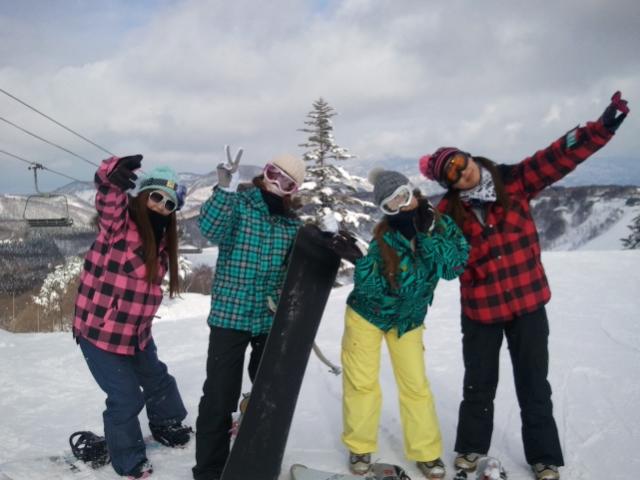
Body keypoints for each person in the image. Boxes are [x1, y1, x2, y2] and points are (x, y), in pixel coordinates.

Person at [418, 91, 629, 480]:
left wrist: (601, 128)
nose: (462, 173)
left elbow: (557, 157)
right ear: (448, 184)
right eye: (452, 174)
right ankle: (471, 448)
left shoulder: (512, 181)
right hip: (481, 311)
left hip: (528, 304)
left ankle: (544, 456)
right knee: (478, 385)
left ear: (469, 157)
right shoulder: (446, 214)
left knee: (534, 384)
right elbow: (427, 256)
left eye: (460, 163)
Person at [340, 168, 469, 479]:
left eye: (403, 196)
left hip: (408, 321)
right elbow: (370, 288)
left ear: (413, 191)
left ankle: (426, 452)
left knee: (415, 386)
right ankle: (360, 445)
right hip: (367, 315)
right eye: (391, 204)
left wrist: (425, 236)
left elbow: (454, 267)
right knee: (361, 383)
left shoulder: (441, 225)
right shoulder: (383, 236)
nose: (401, 206)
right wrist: (361, 263)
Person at [72, 154, 192, 479]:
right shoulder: (120, 229)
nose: (161, 207)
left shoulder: (162, 247)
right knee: (125, 398)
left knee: (158, 379)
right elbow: (109, 201)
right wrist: (111, 176)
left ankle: (168, 423)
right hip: (100, 334)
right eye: (156, 197)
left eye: (169, 204)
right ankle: (127, 459)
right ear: (143, 195)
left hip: (136, 334)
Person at [192, 148, 307, 480]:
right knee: (219, 396)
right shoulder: (240, 205)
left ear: (293, 190)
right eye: (273, 174)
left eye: (286, 182)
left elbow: (294, 271)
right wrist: (224, 191)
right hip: (230, 316)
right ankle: (209, 470)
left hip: (267, 318)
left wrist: (324, 243)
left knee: (269, 392)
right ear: (264, 173)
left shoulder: (291, 225)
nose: (276, 184)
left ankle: (257, 456)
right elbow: (210, 228)